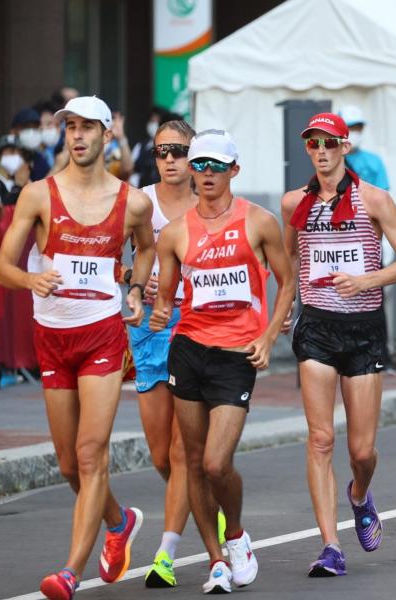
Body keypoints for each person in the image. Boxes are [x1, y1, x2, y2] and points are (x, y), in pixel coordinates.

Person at [0, 95, 155, 600]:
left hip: (102, 334)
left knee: (91, 455)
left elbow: (146, 248)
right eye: (71, 128)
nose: (78, 136)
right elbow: (2, 267)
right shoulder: (39, 195)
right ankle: (119, 520)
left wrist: (133, 288)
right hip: (52, 337)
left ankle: (69, 571)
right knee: (69, 465)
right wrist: (30, 279)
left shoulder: (133, 202)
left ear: (107, 135)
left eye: (88, 127)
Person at [150, 128, 295, 594]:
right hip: (189, 349)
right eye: (200, 164)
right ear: (191, 170)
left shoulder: (260, 222)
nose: (207, 173)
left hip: (236, 354)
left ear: (234, 170)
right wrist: (147, 301)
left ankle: (235, 535)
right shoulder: (173, 234)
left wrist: (270, 336)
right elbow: (166, 300)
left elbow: (286, 282)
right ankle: (215, 561)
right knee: (191, 462)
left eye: (216, 165)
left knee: (216, 463)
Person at [280, 112, 396, 577]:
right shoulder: (292, 203)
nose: (320, 150)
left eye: (328, 143)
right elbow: (288, 261)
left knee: (362, 451)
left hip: (363, 328)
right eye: (312, 143)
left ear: (344, 147)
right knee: (321, 438)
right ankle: (330, 545)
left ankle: (359, 494)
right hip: (317, 326)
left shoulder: (374, 200)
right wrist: (282, 308)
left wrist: (367, 280)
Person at [126, 119, 208, 588]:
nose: (171, 159)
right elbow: (114, 260)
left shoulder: (208, 203)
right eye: (162, 152)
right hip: (149, 331)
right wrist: (136, 282)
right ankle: (208, 508)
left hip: (194, 326)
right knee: (161, 454)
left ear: (194, 155)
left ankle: (166, 554)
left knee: (182, 450)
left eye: (179, 151)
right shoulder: (141, 203)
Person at [339, 105, 389, 190]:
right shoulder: (330, 159)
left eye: (358, 128)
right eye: (350, 128)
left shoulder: (374, 160)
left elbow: (383, 194)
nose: (354, 133)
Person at [130, 106, 169, 188]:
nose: (153, 124)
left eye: (156, 121)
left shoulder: (170, 148)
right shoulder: (140, 146)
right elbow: (132, 169)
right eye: (152, 121)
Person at [10, 107, 51, 181]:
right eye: (26, 127)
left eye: (34, 128)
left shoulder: (39, 160)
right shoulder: (5, 158)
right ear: (13, 131)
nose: (31, 132)